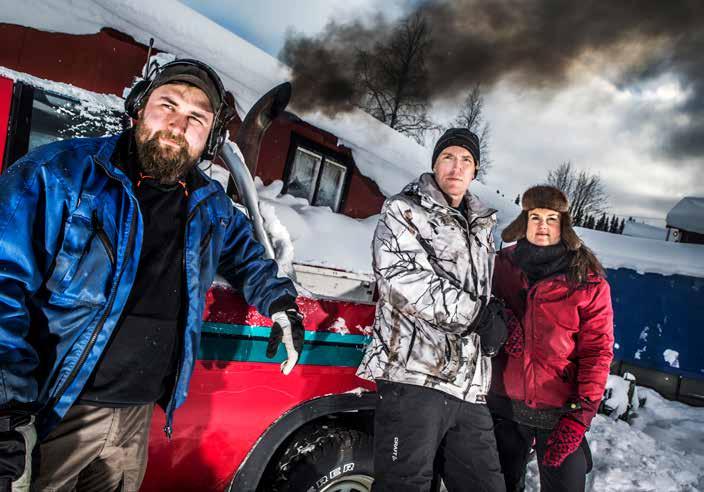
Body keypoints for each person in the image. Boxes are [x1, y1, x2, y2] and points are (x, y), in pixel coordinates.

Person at [0, 59, 304, 492]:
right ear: (140, 107)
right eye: (168, 105)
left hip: (135, 421)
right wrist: (7, 413)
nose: (179, 125)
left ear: (212, 138)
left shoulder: (208, 203)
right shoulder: (60, 174)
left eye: (198, 118)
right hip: (57, 410)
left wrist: (279, 301)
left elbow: (245, 254)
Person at [357, 128, 506, 491]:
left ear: (475, 171)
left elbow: (476, 291)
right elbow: (398, 278)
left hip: (467, 387)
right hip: (413, 377)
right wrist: (476, 315)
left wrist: (493, 317)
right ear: (435, 164)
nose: (456, 167)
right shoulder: (404, 209)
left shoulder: (482, 228)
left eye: (466, 160)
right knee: (404, 486)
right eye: (448, 158)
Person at [488, 185, 614, 492]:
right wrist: (500, 315)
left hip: (560, 414)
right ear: (523, 221)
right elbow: (473, 303)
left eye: (551, 218)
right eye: (535, 217)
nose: (542, 225)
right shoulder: (498, 265)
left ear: (564, 224)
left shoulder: (587, 280)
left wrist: (579, 419)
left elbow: (597, 353)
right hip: (502, 407)